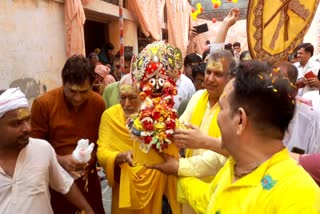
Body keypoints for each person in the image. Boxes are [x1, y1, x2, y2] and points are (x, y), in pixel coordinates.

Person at [177, 60, 320, 213]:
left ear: (240, 120)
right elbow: (210, 200)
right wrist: (175, 174)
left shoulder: (297, 197)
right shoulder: (234, 167)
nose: (217, 117)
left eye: (222, 108)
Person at [30, 55, 105, 214]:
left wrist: (91, 159)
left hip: (88, 180)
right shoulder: (44, 104)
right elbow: (33, 150)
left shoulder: (98, 103)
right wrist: (60, 160)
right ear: (63, 83)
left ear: (93, 85)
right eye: (72, 91)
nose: (77, 98)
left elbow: (103, 142)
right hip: (57, 182)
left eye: (84, 92)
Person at [0, 88, 94, 214]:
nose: (27, 128)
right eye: (16, 124)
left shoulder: (42, 149)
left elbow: (65, 184)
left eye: (28, 120)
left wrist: (88, 210)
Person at [97, 74, 181, 213]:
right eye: (122, 98)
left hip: (155, 187)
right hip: (124, 188)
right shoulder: (110, 116)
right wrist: (121, 156)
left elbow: (172, 149)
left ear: (143, 96)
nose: (127, 104)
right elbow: (101, 152)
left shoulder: (159, 115)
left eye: (132, 97)